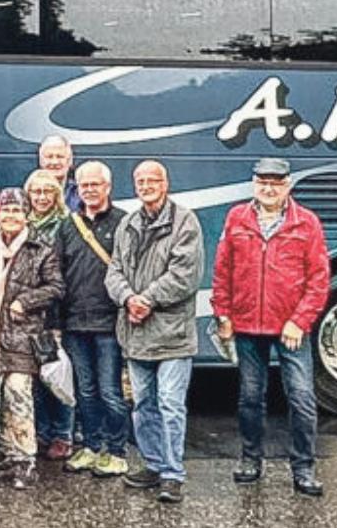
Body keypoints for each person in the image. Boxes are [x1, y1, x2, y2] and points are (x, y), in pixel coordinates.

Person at [212, 158, 330, 498]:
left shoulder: (306, 223)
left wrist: (299, 320)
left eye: (276, 183)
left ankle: (304, 468)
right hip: (248, 325)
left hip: (291, 328)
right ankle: (251, 460)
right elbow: (223, 271)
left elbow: (319, 280)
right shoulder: (237, 218)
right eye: (263, 181)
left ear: (288, 186)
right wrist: (223, 314)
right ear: (253, 184)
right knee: (250, 397)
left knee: (302, 398)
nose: (269, 188)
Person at [104, 160, 205, 504]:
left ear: (166, 183)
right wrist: (128, 297)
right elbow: (113, 271)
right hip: (135, 333)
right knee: (143, 404)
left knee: (171, 404)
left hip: (172, 334)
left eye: (153, 180)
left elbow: (185, 275)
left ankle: (173, 475)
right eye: (140, 180)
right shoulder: (128, 224)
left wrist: (147, 299)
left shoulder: (184, 222)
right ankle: (153, 463)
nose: (146, 185)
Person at [0, 189, 64, 490]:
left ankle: (27, 461)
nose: (10, 217)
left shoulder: (40, 248)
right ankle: (8, 454)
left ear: (26, 214)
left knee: (19, 396)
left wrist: (26, 301)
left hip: (22, 335)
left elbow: (56, 287)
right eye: (6, 211)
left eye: (17, 211)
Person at [51, 161, 132, 478]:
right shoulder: (68, 225)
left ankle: (116, 450)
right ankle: (91, 445)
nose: (89, 190)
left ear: (108, 187)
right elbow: (57, 273)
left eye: (95, 185)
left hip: (109, 324)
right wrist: (57, 321)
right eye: (84, 186)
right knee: (84, 391)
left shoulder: (124, 223)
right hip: (74, 323)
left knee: (111, 391)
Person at [23, 169, 75, 462]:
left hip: (55, 311)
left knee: (57, 375)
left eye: (47, 192)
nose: (41, 198)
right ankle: (41, 431)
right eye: (36, 192)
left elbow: (65, 275)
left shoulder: (66, 226)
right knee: (36, 377)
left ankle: (62, 434)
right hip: (28, 314)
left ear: (56, 196)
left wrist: (56, 321)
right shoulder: (23, 224)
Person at [38, 136, 83, 212]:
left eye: (60, 157)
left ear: (69, 161)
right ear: (41, 161)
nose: (55, 162)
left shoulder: (81, 194)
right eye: (49, 157)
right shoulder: (31, 194)